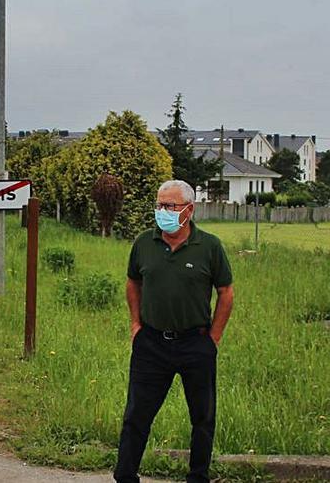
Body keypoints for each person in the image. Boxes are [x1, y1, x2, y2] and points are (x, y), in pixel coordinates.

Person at [114, 179, 234, 483]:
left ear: (189, 210)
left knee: (203, 417)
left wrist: (213, 339)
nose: (162, 211)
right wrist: (136, 324)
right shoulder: (144, 243)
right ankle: (125, 475)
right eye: (159, 205)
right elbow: (132, 282)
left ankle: (198, 476)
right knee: (136, 415)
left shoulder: (209, 246)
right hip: (152, 343)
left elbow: (226, 292)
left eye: (170, 206)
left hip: (196, 343)